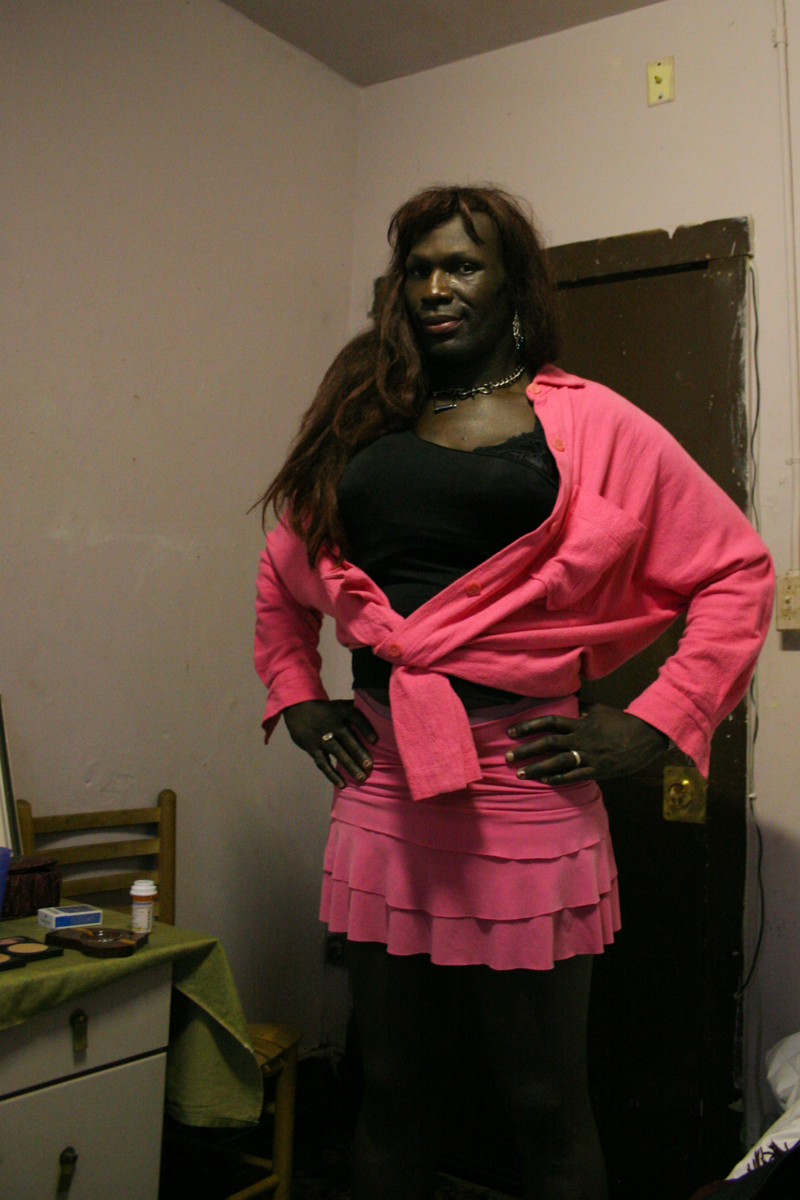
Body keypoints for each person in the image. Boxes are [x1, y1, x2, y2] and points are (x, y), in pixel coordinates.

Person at [253, 186, 773, 1200]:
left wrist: (659, 722)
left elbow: (735, 572)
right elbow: (284, 571)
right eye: (417, 269)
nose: (436, 286)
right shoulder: (363, 416)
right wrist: (296, 692)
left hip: (525, 787)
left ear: (513, 282)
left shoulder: (587, 422)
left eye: (462, 264)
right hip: (384, 782)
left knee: (544, 1103)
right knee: (389, 1092)